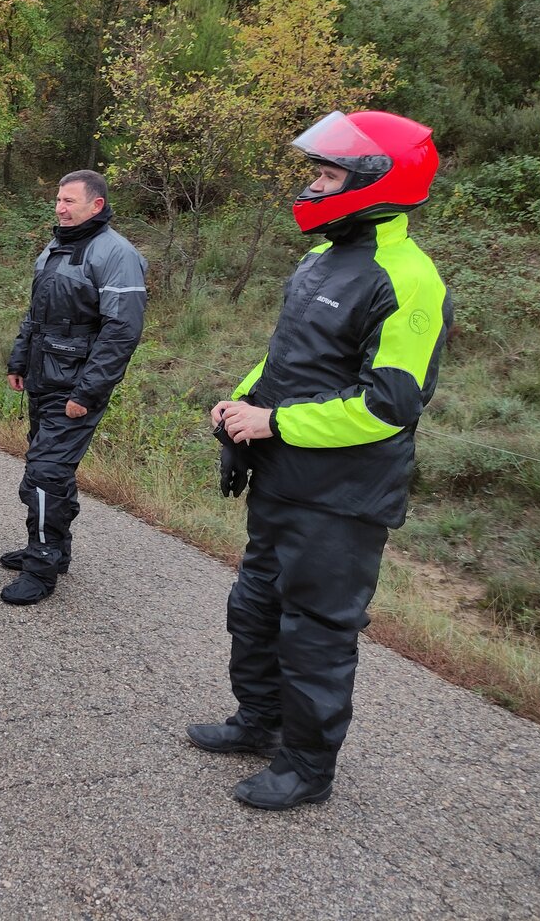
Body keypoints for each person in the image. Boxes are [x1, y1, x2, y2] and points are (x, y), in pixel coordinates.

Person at [188, 110, 452, 811]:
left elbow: (386, 405)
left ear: (375, 181)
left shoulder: (408, 278)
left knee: (316, 634)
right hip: (285, 478)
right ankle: (258, 723)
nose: (313, 184)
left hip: (343, 497)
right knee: (254, 610)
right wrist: (239, 406)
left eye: (327, 173)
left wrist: (272, 421)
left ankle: (307, 768)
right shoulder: (322, 258)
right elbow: (288, 359)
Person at [1, 171, 147, 605]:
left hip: (76, 385)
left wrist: (86, 393)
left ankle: (42, 567)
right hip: (43, 375)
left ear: (96, 205)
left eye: (69, 201)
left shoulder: (117, 254)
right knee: (50, 470)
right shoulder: (55, 247)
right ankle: (52, 548)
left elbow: (121, 332)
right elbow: (36, 314)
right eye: (58, 200)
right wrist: (19, 360)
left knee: (45, 474)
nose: (60, 208)